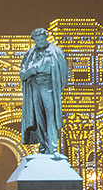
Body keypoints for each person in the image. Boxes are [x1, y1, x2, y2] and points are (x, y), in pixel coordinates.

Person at [19, 27, 68, 158]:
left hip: (49, 86)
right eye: (37, 40)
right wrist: (33, 70)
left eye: (42, 39)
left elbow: (63, 73)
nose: (40, 42)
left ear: (46, 38)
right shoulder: (29, 54)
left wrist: (57, 88)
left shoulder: (56, 52)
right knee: (38, 117)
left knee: (50, 117)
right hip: (34, 87)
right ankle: (43, 145)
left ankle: (53, 147)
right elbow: (22, 74)